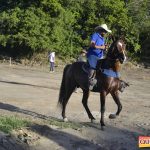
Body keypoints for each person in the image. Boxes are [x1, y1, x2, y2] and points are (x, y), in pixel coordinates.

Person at [87, 24, 112, 90]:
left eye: (106, 32)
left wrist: (105, 47)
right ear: (101, 30)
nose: (106, 33)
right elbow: (92, 44)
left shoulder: (102, 38)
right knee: (93, 67)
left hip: (100, 56)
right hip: (92, 55)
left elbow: (102, 47)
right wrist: (102, 47)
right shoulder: (95, 35)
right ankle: (90, 82)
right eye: (105, 31)